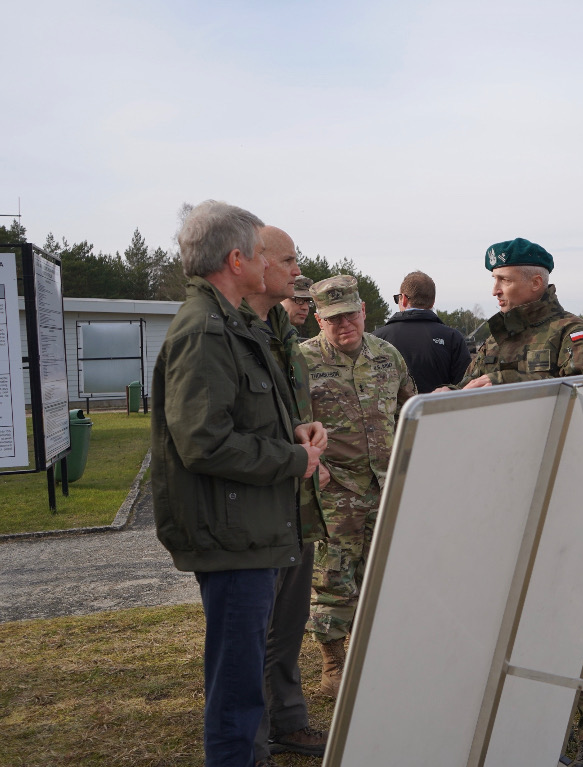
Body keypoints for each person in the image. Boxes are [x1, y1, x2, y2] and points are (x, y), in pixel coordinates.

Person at [151, 200, 326, 767]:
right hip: (233, 538)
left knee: (245, 678)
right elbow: (202, 441)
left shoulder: (234, 326)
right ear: (236, 259)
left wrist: (291, 430)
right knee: (236, 691)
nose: (276, 265)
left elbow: (235, 419)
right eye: (260, 252)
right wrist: (293, 459)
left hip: (250, 530)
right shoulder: (205, 331)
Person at [446, 238, 583, 767]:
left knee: (572, 610)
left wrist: (498, 381)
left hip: (561, 494)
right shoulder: (493, 340)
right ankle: (521, 720)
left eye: (505, 280)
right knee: (506, 611)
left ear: (536, 282)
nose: (495, 290)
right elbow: (469, 394)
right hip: (501, 494)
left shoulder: (572, 335)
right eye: (493, 281)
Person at [301, 275, 416, 698]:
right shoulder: (301, 362)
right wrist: (311, 463)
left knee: (382, 574)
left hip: (384, 488)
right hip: (335, 491)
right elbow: (285, 424)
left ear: (364, 311)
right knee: (334, 580)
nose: (344, 325)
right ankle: (334, 664)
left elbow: (409, 409)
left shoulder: (388, 355)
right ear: (318, 319)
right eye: (333, 319)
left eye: (350, 315)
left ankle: (376, 654)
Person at [239, 227, 329, 764]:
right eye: (290, 260)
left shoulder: (280, 335)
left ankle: (288, 721)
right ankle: (248, 743)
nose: (298, 272)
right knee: (249, 633)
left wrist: (307, 431)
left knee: (290, 622)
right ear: (257, 262)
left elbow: (288, 409)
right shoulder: (231, 333)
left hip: (296, 503)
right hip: (257, 507)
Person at [372, 270, 471, 392]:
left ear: (403, 299)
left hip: (392, 411)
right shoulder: (452, 338)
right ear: (433, 302)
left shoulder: (376, 339)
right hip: (438, 409)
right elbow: (466, 386)